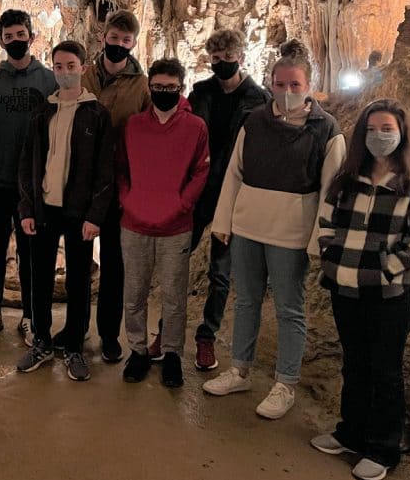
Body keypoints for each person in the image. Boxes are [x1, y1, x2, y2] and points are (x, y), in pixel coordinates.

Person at [204, 39, 346, 418]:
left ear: (308, 86)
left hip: (291, 231)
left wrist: (320, 238)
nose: (286, 92)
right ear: (271, 83)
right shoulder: (255, 121)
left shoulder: (326, 130)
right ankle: (240, 368)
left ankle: (285, 382)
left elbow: (331, 190)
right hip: (249, 225)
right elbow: (234, 174)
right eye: (280, 85)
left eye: (295, 86)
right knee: (246, 299)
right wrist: (223, 221)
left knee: (288, 308)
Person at [311, 98, 410, 480]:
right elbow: (327, 222)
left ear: (401, 134)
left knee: (385, 369)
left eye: (387, 130)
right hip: (345, 288)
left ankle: (382, 448)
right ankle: (351, 432)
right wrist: (332, 259)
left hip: (390, 294)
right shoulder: (347, 180)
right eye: (372, 130)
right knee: (354, 362)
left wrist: (383, 269)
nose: (379, 137)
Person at [16, 41, 114, 382]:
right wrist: (27, 207)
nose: (65, 72)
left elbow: (105, 170)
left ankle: (74, 344)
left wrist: (95, 215)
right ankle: (41, 340)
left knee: (77, 281)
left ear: (83, 68)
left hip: (78, 212)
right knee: (40, 278)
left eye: (71, 65)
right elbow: (28, 164)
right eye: (58, 66)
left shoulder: (96, 114)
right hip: (45, 208)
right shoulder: (43, 113)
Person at [0, 9, 57, 347]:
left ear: (32, 37)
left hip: (35, 186)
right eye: (9, 37)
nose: (15, 41)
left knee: (31, 253)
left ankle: (30, 317)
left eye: (21, 35)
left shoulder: (49, 80)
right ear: (1, 41)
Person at [118, 58, 209, 388]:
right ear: (149, 88)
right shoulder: (134, 125)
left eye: (170, 88)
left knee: (173, 296)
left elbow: (201, 171)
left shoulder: (195, 127)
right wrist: (127, 199)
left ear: (181, 88)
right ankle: (138, 351)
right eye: (158, 88)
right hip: (134, 223)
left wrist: (182, 204)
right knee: (135, 293)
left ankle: (171, 354)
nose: (163, 93)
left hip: (175, 226)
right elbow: (121, 168)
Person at [185, 29, 269, 371]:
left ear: (241, 58)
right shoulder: (201, 92)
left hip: (232, 194)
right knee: (178, 262)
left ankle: (207, 337)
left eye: (227, 59)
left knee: (220, 272)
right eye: (215, 60)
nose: (221, 65)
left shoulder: (259, 101)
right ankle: (167, 332)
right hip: (199, 189)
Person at [78, 9, 150, 362]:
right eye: (114, 38)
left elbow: (153, 128)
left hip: (121, 184)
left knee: (114, 266)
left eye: (126, 41)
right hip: (83, 182)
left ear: (134, 43)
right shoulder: (84, 75)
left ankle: (109, 334)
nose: (118, 45)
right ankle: (76, 330)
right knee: (79, 261)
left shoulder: (142, 85)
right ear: (103, 37)